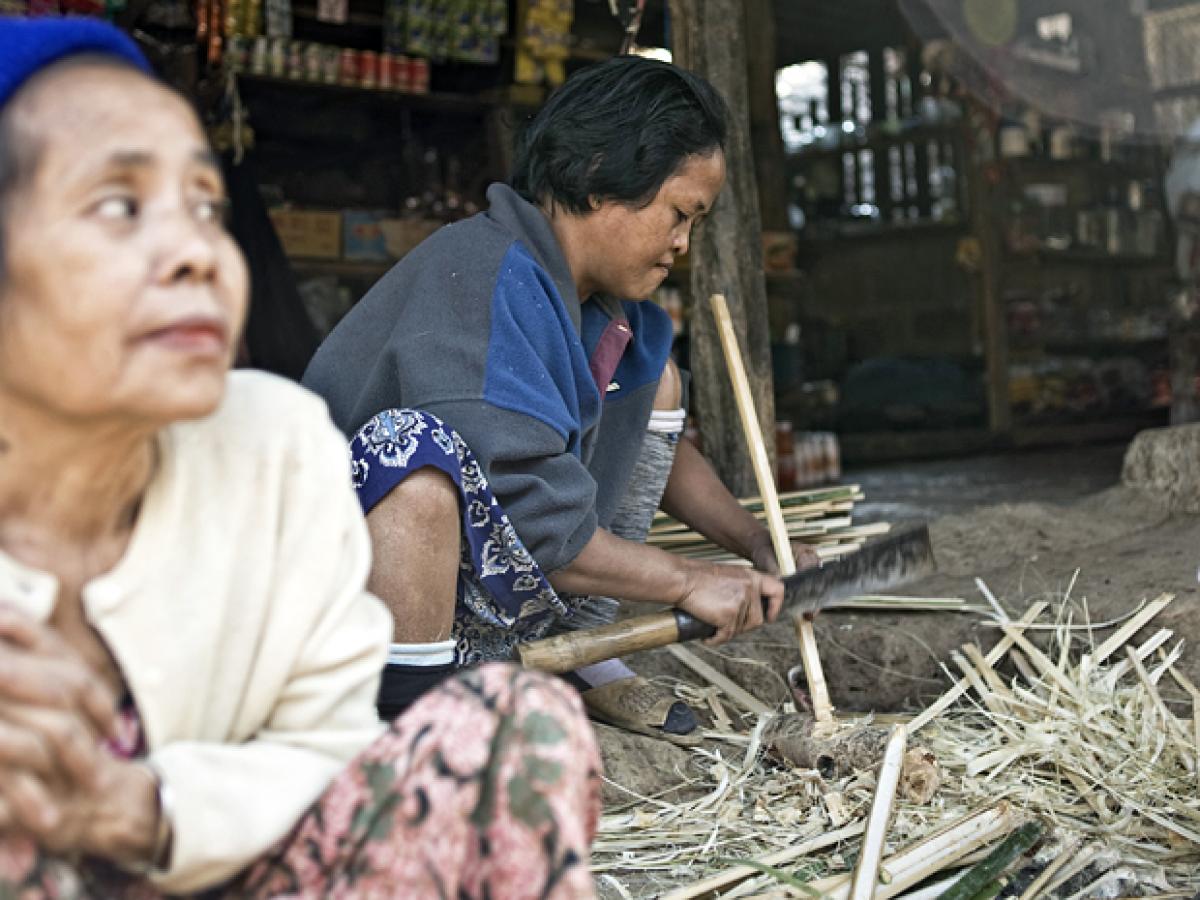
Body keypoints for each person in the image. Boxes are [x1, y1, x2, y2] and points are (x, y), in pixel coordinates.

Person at [0, 17, 599, 898]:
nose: (197, 253)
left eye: (205, 206)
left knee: (515, 728)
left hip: (214, 862)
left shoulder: (274, 447)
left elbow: (326, 742)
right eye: (120, 205)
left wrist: (142, 810)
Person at [304, 55, 817, 744]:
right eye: (678, 214)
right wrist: (686, 579)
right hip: (337, 613)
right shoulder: (483, 276)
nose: (682, 244)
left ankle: (582, 655)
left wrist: (757, 543)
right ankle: (405, 730)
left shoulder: (595, 308)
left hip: (477, 600)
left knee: (655, 376)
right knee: (413, 459)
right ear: (603, 172)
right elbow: (539, 525)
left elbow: (652, 445)